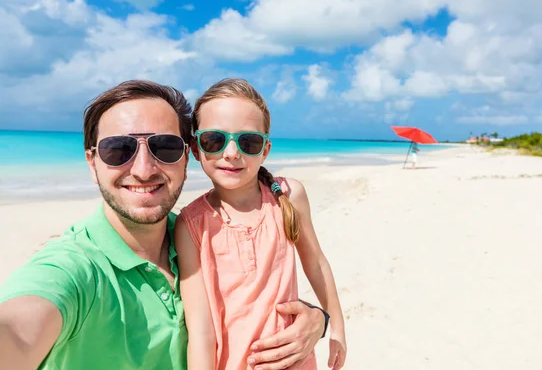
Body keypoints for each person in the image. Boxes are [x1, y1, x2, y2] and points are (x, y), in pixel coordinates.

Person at [0, 80, 327, 370]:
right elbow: (18, 330)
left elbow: (254, 293)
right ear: (93, 161)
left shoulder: (199, 232)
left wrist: (317, 318)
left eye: (165, 147)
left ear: (187, 157)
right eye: (118, 150)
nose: (143, 169)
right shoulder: (72, 268)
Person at [175, 78, 347, 370]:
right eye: (214, 140)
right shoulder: (190, 224)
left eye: (248, 142)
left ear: (265, 150)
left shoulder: (289, 196)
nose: (231, 153)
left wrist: (337, 328)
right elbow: (200, 329)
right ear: (195, 148)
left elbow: (316, 263)